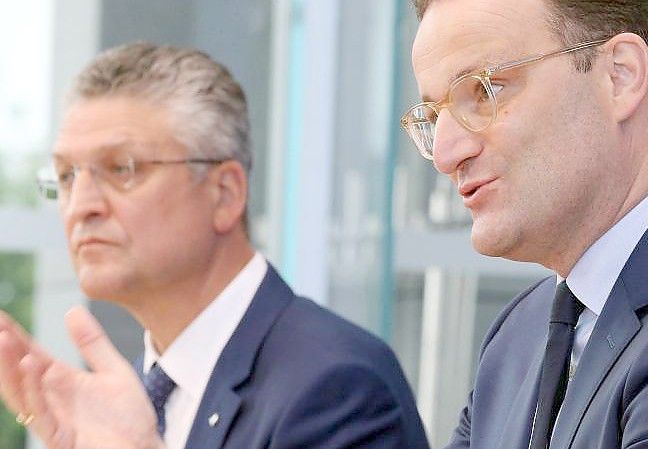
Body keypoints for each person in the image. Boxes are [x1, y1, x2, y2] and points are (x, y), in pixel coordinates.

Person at [400, 0, 648, 448]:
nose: (447, 154)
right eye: (433, 117)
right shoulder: (517, 336)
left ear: (620, 76)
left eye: (484, 90)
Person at [0, 42, 429, 449]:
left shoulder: (336, 386)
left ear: (224, 193)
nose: (81, 206)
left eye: (121, 169)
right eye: (66, 175)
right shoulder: (131, 400)